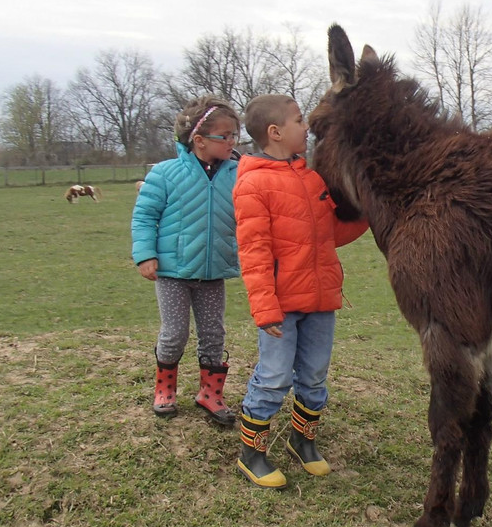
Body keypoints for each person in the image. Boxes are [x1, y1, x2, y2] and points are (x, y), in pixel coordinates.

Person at [233, 93, 368, 488]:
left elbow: (328, 233)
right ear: (275, 133)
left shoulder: (312, 179)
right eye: (298, 121)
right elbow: (254, 253)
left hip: (320, 299)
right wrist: (265, 309)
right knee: (274, 377)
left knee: (313, 376)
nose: (306, 127)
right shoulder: (253, 185)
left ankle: (302, 441)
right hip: (280, 307)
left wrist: (369, 215)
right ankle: (252, 452)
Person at [131, 95, 242, 426]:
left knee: (213, 333)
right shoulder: (166, 174)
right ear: (199, 140)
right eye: (226, 136)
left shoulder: (241, 173)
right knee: (175, 332)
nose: (233, 142)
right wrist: (145, 255)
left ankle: (211, 394)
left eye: (236, 135)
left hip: (213, 270)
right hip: (172, 272)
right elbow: (145, 216)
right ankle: (165, 389)